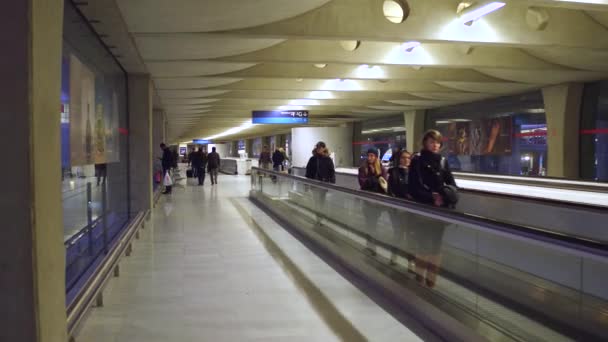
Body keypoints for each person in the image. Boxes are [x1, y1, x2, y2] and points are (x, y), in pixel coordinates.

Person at [408, 129, 458, 288]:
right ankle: (419, 278)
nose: (435, 145)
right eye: (431, 141)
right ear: (425, 143)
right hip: (423, 210)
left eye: (437, 142)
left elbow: (452, 185)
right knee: (422, 244)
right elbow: (413, 187)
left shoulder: (443, 162)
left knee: (436, 246)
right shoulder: (417, 161)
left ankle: (431, 281)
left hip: (439, 212)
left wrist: (445, 195)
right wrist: (431, 197)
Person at [387, 150, 415, 270]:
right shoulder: (394, 173)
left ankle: (411, 262)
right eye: (403, 158)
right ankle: (394, 256)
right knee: (398, 233)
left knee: (410, 236)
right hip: (397, 209)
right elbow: (391, 191)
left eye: (408, 158)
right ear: (399, 159)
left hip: (411, 211)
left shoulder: (414, 173)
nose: (406, 160)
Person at [358, 149, 388, 254]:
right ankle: (371, 245)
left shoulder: (382, 169)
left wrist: (371, 181)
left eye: (372, 155)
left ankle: (372, 245)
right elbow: (362, 183)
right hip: (367, 201)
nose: (370, 158)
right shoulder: (363, 168)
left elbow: (384, 184)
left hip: (377, 202)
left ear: (376, 157)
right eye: (369, 155)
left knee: (374, 224)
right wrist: (376, 179)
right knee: (369, 224)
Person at [305, 142, 336, 216]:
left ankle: (320, 215)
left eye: (320, 147)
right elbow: (308, 170)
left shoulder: (328, 159)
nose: (319, 149)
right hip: (314, 183)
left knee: (322, 200)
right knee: (316, 200)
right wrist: (306, 183)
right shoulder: (312, 159)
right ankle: (318, 215)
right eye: (318, 147)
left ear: (324, 148)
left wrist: (332, 182)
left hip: (323, 183)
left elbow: (332, 171)